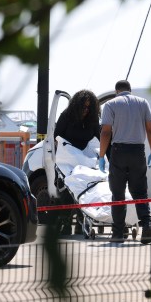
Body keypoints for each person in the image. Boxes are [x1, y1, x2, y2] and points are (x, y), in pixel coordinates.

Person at [98, 80, 151, 244]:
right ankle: (147, 226)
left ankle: (118, 234)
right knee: (140, 192)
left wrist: (102, 155)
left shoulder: (111, 105)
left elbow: (105, 132)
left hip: (119, 152)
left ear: (117, 91)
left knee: (118, 194)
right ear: (130, 90)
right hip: (138, 151)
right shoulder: (143, 103)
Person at [53, 89, 101, 235]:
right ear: (76, 106)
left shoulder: (92, 120)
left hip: (83, 160)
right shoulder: (66, 116)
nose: (86, 110)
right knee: (66, 192)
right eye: (84, 107)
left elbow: (100, 138)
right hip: (66, 159)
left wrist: (104, 157)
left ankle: (81, 222)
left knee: (84, 190)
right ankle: (66, 223)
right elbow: (56, 138)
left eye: (89, 107)